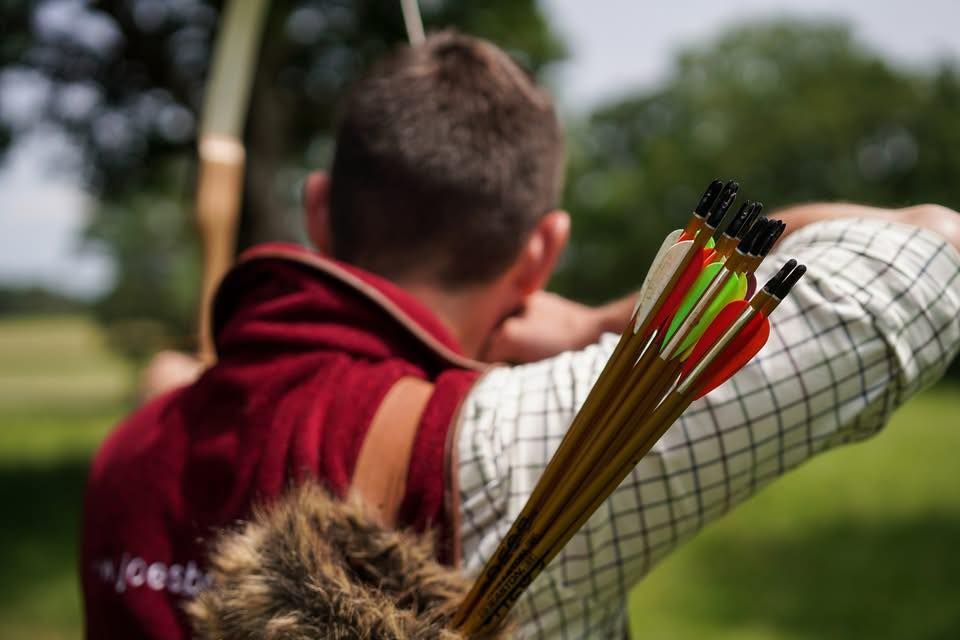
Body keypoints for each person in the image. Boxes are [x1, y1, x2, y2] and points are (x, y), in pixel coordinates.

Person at [81, 30, 960, 639]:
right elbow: (935, 249)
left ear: (319, 212)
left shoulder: (128, 450)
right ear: (543, 250)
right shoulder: (521, 439)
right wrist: (604, 320)